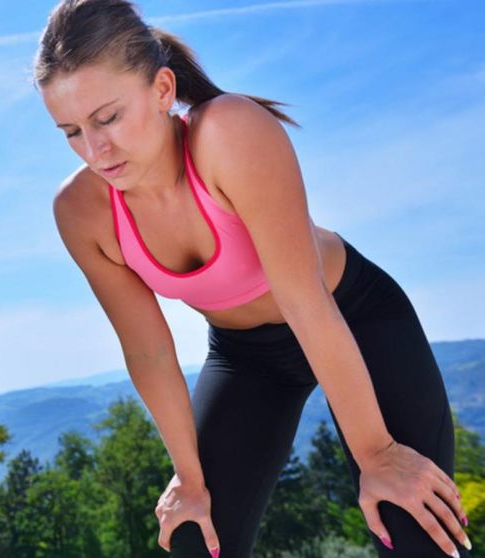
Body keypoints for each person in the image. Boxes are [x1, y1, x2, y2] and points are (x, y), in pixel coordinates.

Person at [35, 1, 472, 557]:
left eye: (108, 118)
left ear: (163, 89)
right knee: (197, 539)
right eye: (70, 131)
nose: (95, 150)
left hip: (352, 318)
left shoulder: (229, 133)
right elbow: (148, 354)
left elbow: (306, 301)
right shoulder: (82, 211)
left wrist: (378, 454)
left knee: (413, 527)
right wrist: (190, 481)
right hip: (248, 357)